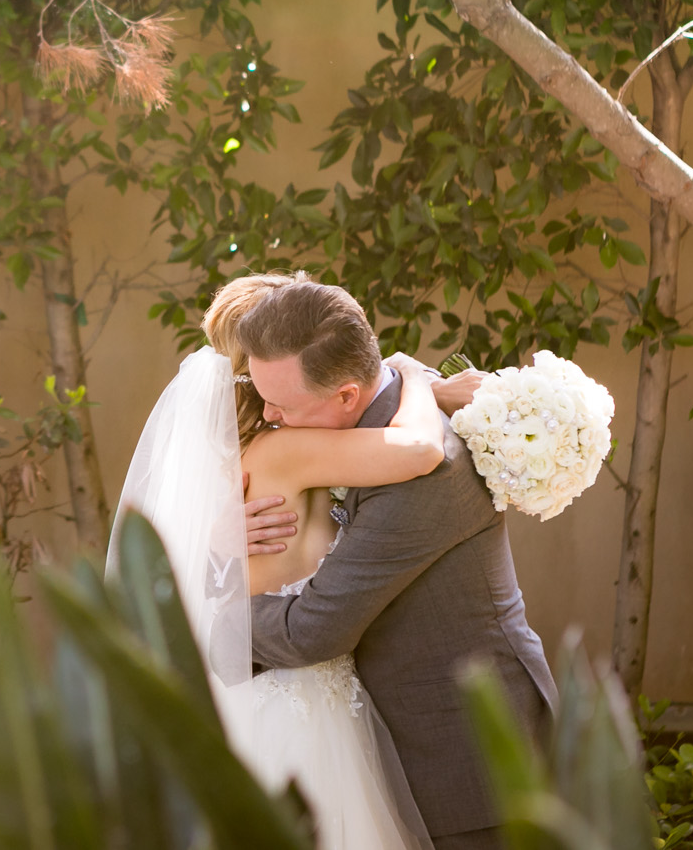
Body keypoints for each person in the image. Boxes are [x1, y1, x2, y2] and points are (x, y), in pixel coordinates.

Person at [114, 274, 464, 850]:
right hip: (300, 694)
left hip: (253, 688)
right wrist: (421, 383)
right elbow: (420, 448)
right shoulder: (288, 449)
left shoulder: (241, 458)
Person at [240, 277, 557, 850]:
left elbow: (314, 631)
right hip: (411, 744)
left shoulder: (424, 477)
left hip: (471, 759)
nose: (268, 415)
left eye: (281, 405)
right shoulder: (373, 431)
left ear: (345, 396)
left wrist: (211, 615)